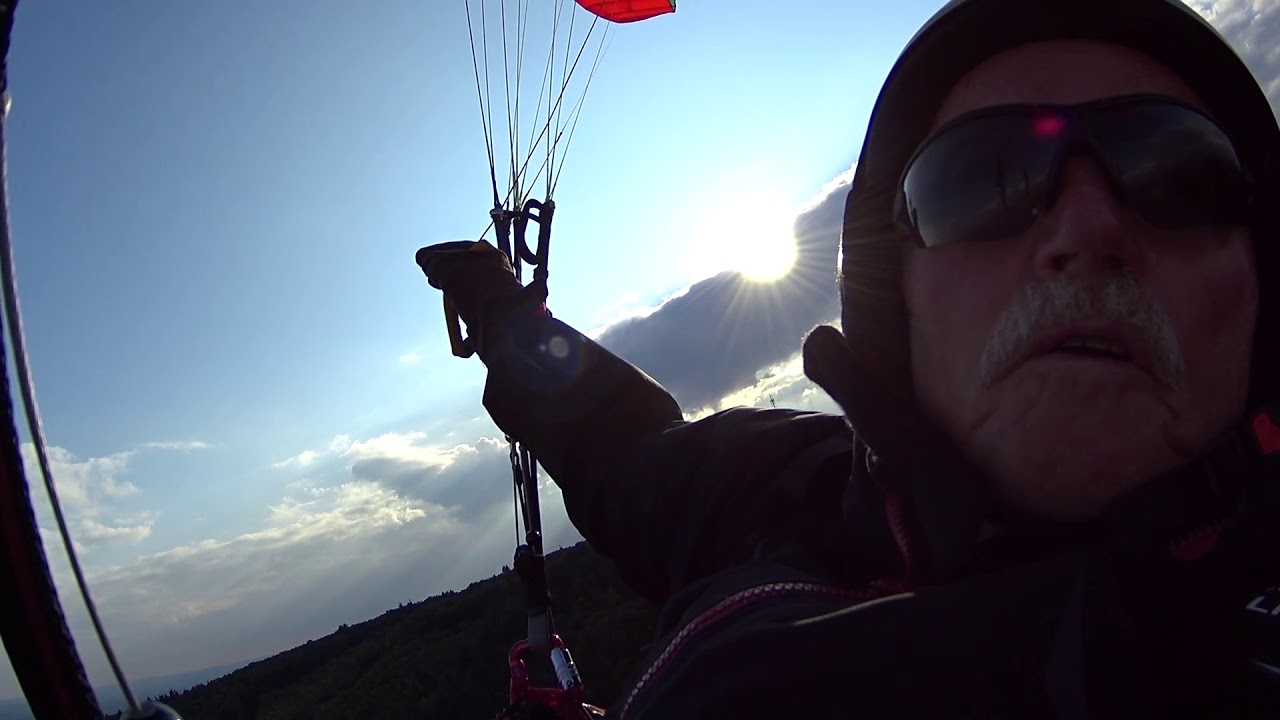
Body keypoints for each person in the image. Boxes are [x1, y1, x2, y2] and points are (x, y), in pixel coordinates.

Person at [418, 0, 1280, 716]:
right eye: (981, 183)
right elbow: (620, 448)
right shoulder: (782, 491)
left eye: (1180, 177)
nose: (1087, 234)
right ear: (892, 288)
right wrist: (505, 316)